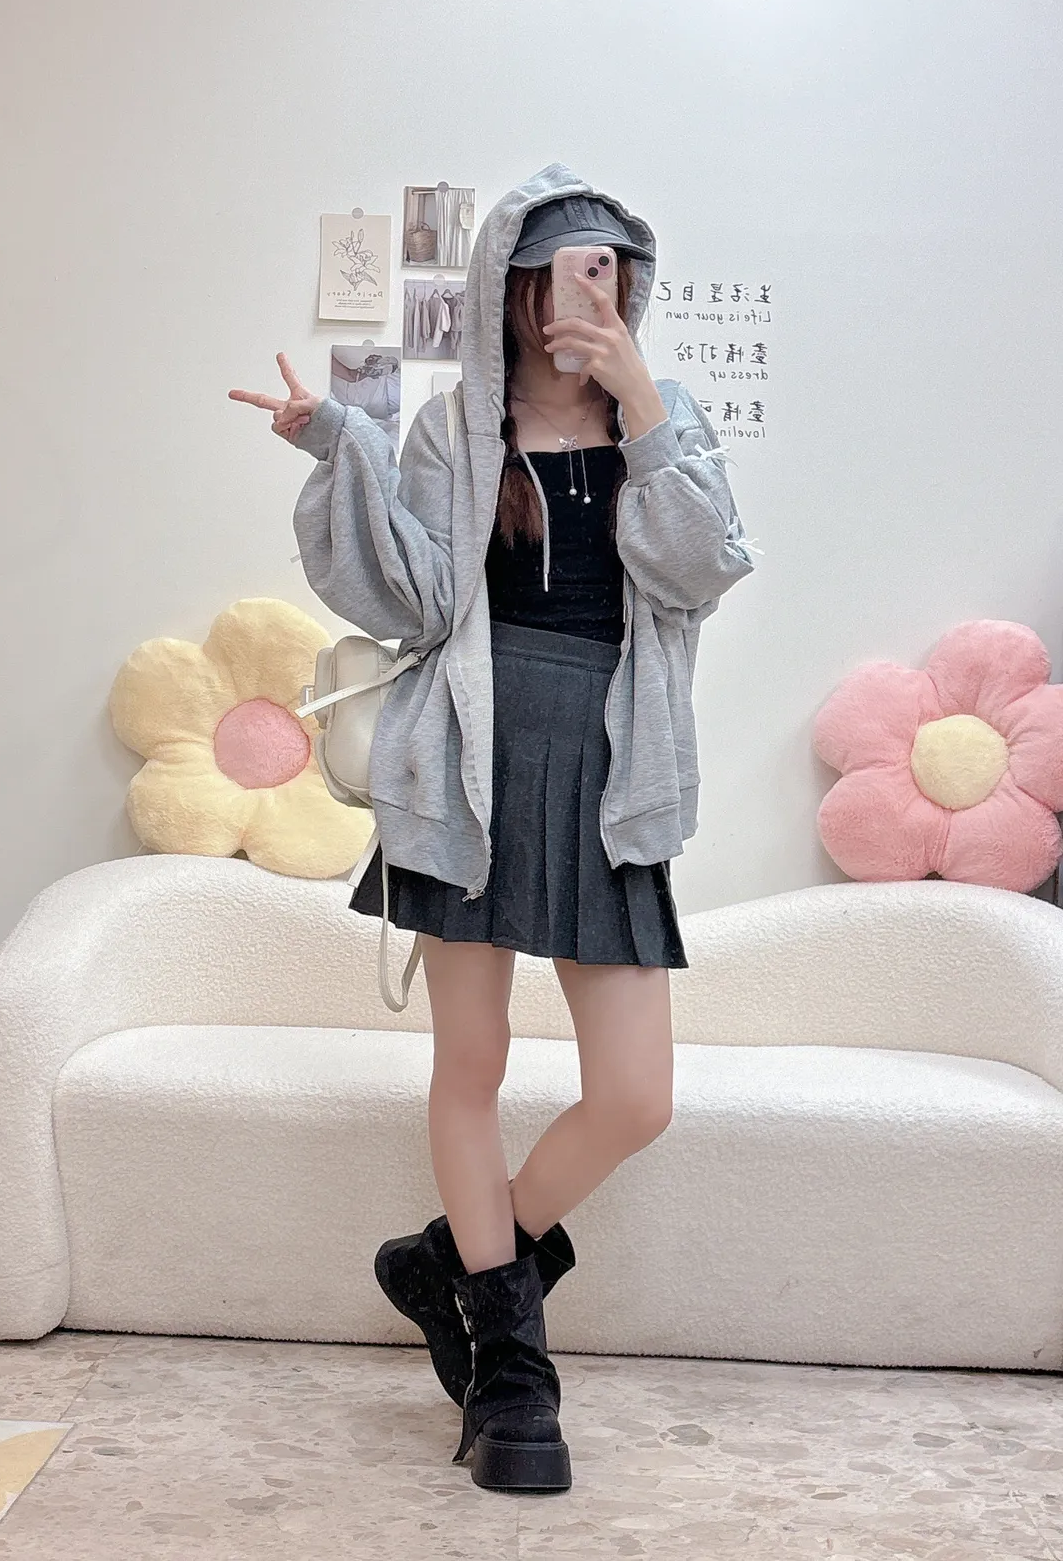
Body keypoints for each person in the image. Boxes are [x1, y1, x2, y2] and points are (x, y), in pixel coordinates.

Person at [229, 161, 757, 1494]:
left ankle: (448, 1267)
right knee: (469, 1062)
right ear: (511, 290)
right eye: (564, 274)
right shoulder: (453, 429)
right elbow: (415, 598)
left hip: (609, 772)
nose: (588, 295)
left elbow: (702, 568)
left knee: (635, 1095)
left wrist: (640, 399)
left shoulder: (666, 419)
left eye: (610, 275)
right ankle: (514, 1374)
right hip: (463, 763)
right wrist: (337, 445)